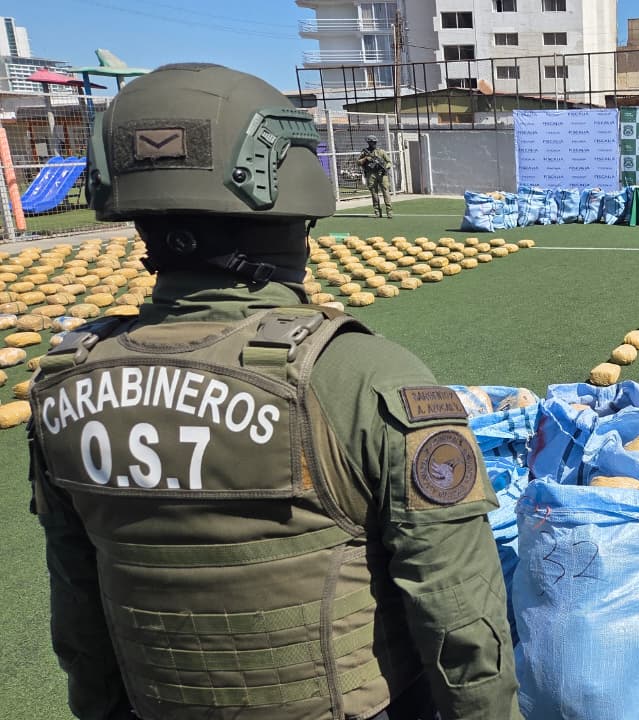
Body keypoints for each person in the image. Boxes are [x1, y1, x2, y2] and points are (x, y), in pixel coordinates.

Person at [28, 63, 520, 720]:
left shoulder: (64, 381)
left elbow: (78, 607)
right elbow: (458, 615)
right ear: (294, 215)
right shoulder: (360, 377)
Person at [360, 134, 393, 218]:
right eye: (371, 142)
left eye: (374, 142)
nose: (373, 143)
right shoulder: (365, 152)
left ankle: (389, 211)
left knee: (386, 192)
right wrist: (365, 159)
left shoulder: (381, 152)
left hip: (382, 174)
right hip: (371, 174)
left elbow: (389, 162)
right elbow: (358, 162)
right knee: (374, 193)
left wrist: (385, 167)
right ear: (368, 143)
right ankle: (377, 212)